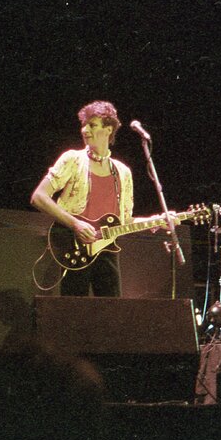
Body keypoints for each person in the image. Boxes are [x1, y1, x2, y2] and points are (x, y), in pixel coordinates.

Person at [31, 100, 137, 297]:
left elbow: (125, 221)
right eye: (84, 125)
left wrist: (159, 220)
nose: (84, 130)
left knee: (111, 314)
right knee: (73, 311)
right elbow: (38, 197)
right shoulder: (72, 159)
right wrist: (76, 224)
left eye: (92, 125)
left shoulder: (123, 172)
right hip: (74, 248)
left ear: (108, 129)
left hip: (108, 252)